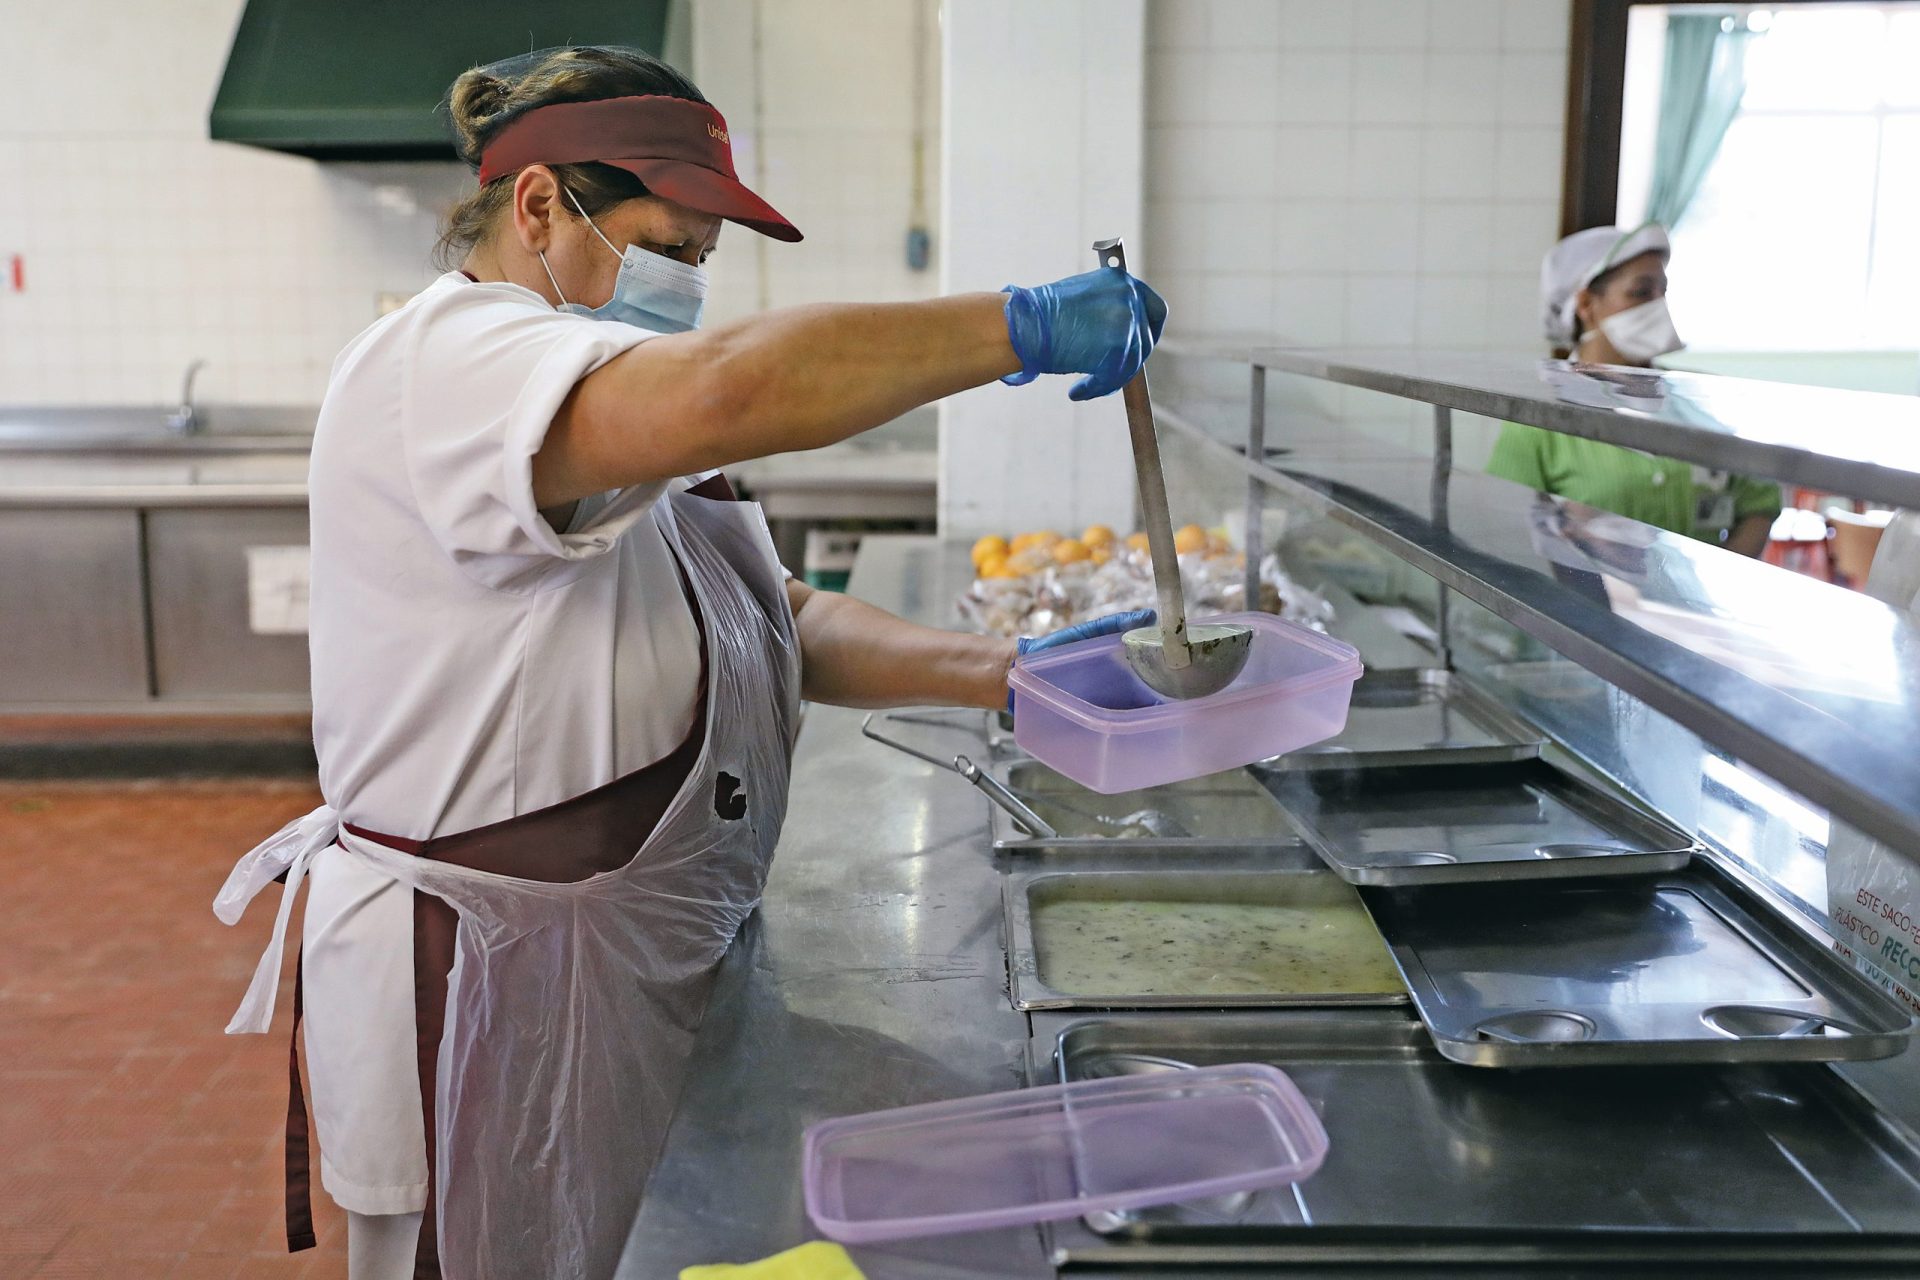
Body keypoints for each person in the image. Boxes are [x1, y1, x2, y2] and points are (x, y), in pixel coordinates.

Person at [211, 46, 1163, 1280]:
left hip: (617, 950)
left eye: (703, 263)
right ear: (541, 203)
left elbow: (770, 614)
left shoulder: (587, 388)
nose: (687, 285)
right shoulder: (453, 358)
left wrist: (1008, 671)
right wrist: (1013, 329)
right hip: (493, 972)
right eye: (670, 244)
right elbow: (728, 387)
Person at [1486, 222, 1781, 556]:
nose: (1658, 305)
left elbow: (1758, 502)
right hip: (1580, 604)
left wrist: (1710, 593)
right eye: (1641, 292)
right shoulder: (1538, 416)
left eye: (1662, 291)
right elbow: (1505, 529)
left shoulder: (1696, 400)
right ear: (1586, 304)